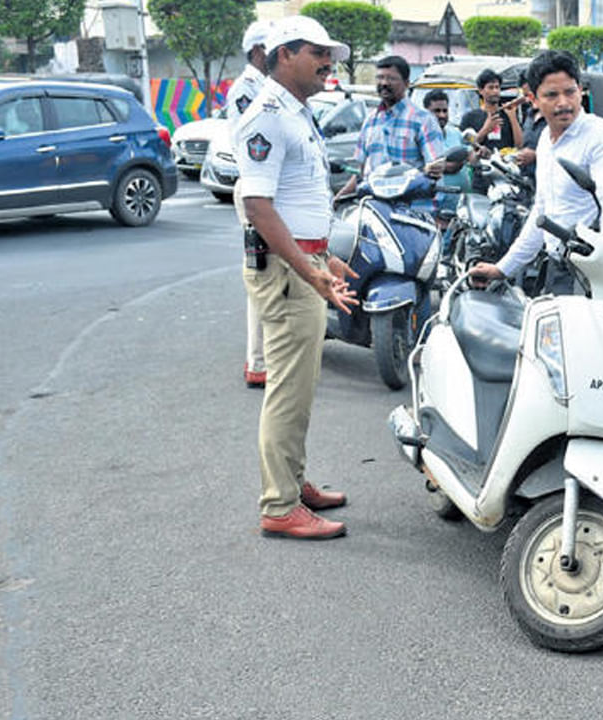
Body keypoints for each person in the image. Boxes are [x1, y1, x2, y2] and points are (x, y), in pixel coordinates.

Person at [235, 16, 360, 540]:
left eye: (331, 53)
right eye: (318, 52)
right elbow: (258, 205)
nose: (329, 61)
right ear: (284, 53)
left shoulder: (296, 111)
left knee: (301, 386)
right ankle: (280, 505)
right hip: (287, 272)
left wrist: (324, 256)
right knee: (288, 390)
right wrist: (310, 273)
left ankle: (293, 480)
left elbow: (298, 201)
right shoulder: (266, 115)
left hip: (303, 263)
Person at [467, 50, 603, 295]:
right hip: (557, 268)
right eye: (552, 95)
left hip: (593, 272)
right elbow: (542, 213)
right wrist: (502, 269)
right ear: (532, 99)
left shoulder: (602, 135)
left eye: (570, 92)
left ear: (580, 90)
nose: (563, 102)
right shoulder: (545, 140)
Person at [228, 19, 273, 390]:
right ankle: (258, 361)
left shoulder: (264, 87)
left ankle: (265, 358)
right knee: (262, 276)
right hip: (257, 190)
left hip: (267, 190)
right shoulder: (248, 90)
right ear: (259, 52)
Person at [336, 55, 446, 201]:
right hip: (376, 210)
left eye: (391, 78)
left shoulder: (423, 120)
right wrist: (338, 199)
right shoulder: (370, 121)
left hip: (412, 212)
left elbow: (435, 171)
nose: (384, 83)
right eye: (380, 78)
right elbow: (360, 174)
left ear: (406, 83)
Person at [460, 69, 524, 191]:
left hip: (507, 176)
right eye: (490, 87)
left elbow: (519, 145)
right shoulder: (470, 117)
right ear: (481, 91)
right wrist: (486, 129)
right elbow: (467, 148)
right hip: (481, 177)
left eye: (497, 87)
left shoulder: (507, 114)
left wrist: (512, 117)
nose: (495, 91)